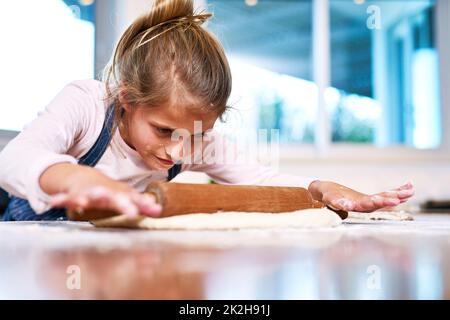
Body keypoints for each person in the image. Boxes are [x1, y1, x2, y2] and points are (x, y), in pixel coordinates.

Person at [0, 0, 414, 221]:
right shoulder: (88, 104)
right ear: (126, 99)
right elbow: (15, 159)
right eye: (164, 131)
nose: (179, 151)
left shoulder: (196, 139)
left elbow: (261, 179)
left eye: (196, 134)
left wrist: (321, 189)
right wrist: (77, 178)